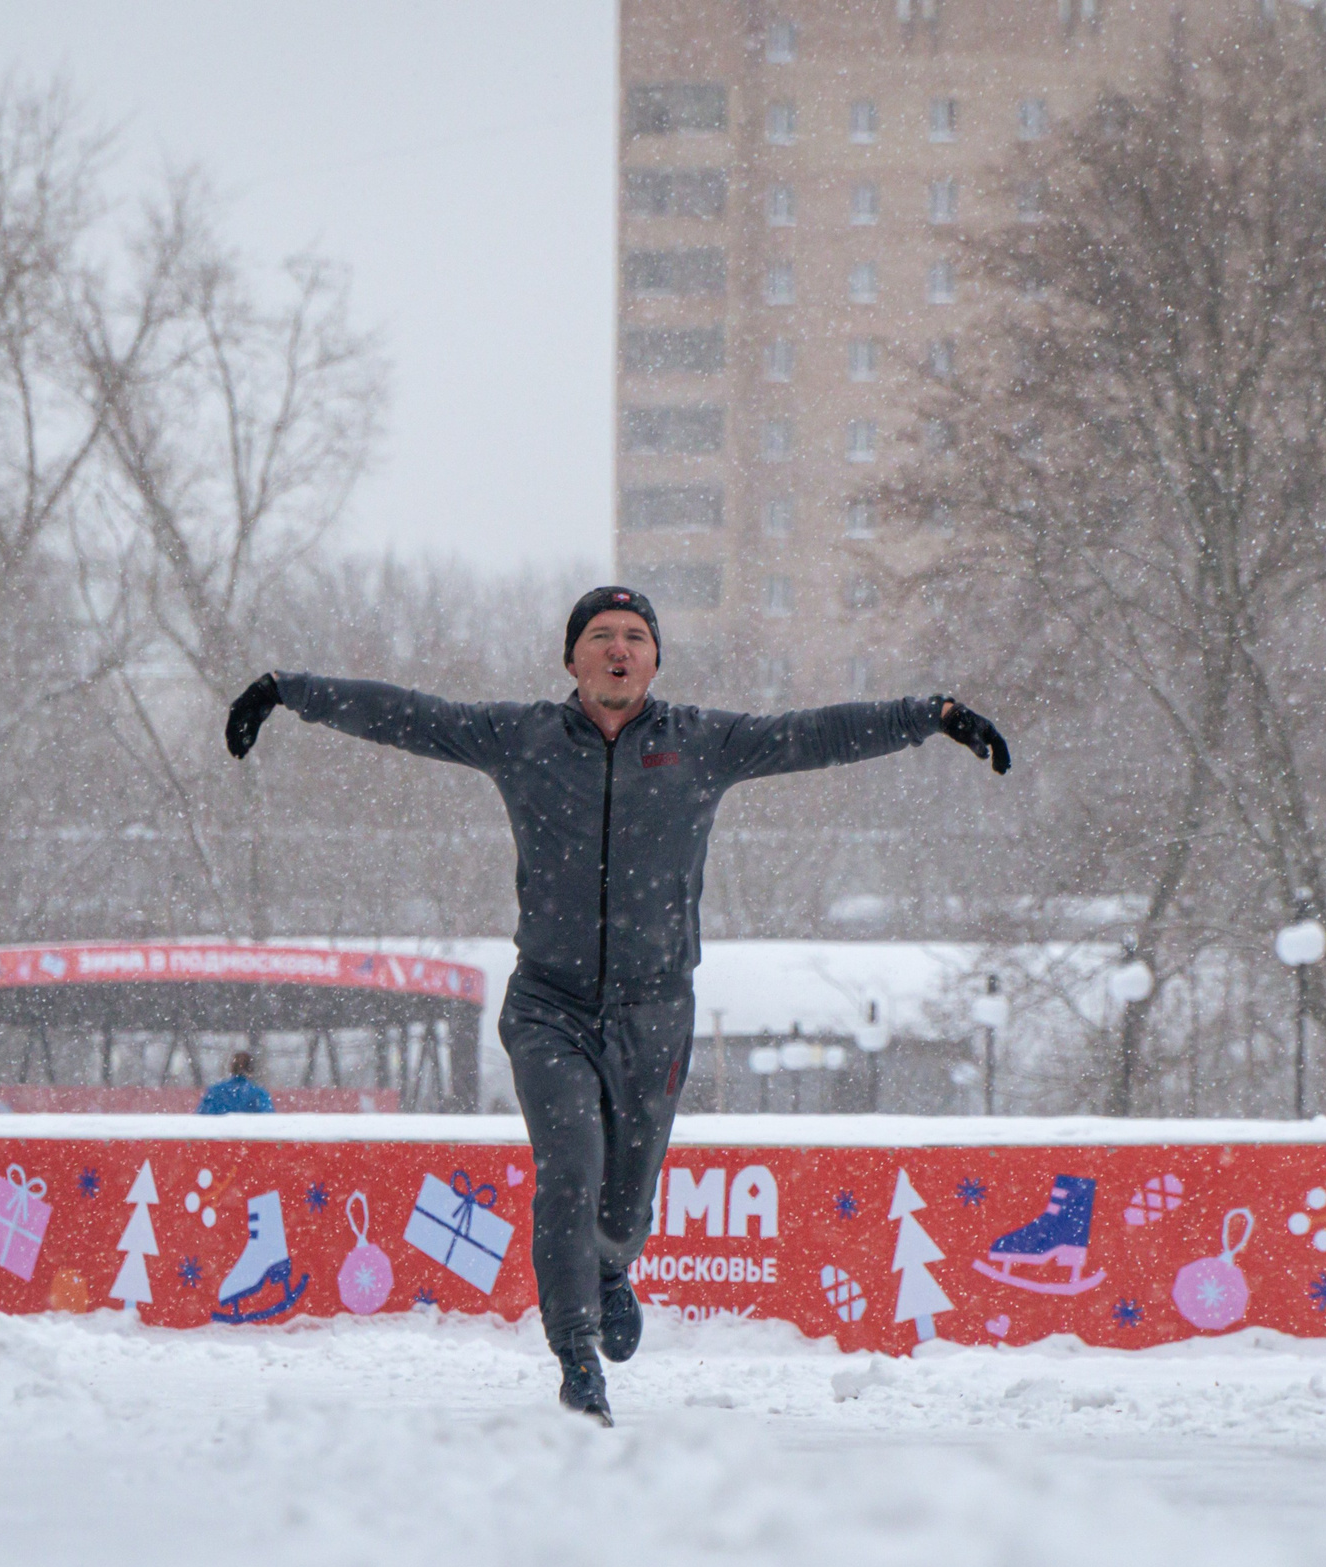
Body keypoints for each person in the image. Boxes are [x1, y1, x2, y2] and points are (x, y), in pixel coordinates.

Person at [224, 585, 1010, 1423]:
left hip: (654, 1013)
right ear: (572, 660)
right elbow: (408, 715)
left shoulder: (703, 743)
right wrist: (288, 690)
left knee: (623, 1207)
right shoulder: (521, 739)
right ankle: (575, 1357)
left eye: (636, 636)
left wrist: (931, 714)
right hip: (549, 1007)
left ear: (657, 659)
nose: (619, 648)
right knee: (568, 1171)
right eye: (600, 636)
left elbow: (815, 733)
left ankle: (611, 1265)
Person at [197, 1051, 276, 1116]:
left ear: (231, 1068)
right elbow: (268, 1120)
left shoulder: (215, 1092)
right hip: (250, 1134)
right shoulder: (259, 1094)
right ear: (251, 1069)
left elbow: (202, 1117)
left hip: (220, 1133)